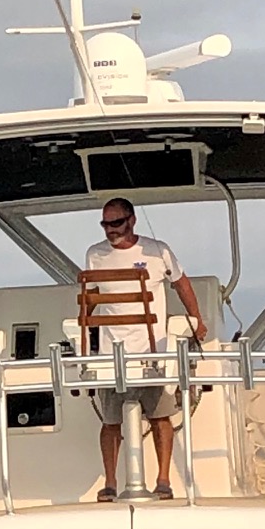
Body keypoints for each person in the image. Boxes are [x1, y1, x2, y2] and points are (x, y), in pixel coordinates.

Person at [84, 197, 206, 500]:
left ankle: (163, 480)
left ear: (132, 220)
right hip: (114, 352)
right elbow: (89, 298)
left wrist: (197, 319)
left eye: (116, 223)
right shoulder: (94, 255)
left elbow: (181, 283)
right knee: (111, 421)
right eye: (105, 224)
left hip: (153, 350)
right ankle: (111, 483)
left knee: (159, 416)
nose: (110, 230)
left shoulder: (157, 250)